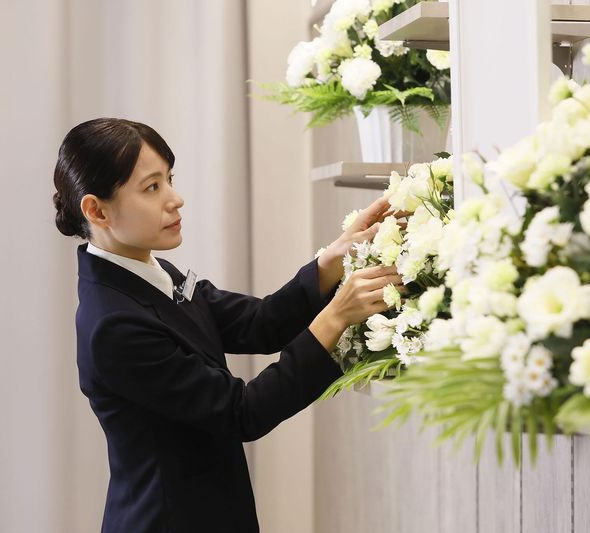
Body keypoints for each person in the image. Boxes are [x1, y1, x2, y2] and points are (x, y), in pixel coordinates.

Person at [52, 118, 402, 533]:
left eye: (169, 179)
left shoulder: (149, 271)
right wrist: (336, 316)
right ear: (97, 210)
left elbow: (259, 324)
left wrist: (334, 259)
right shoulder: (113, 326)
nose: (175, 199)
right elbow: (242, 412)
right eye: (152, 187)